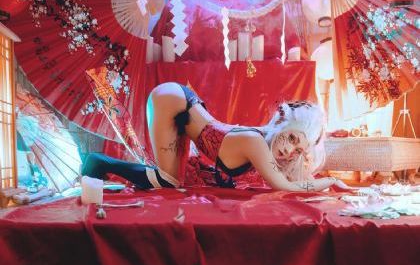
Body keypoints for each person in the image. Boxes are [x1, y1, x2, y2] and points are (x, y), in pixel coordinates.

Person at [82, 82, 346, 192]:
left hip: (186, 107)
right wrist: (332, 181)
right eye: (292, 139)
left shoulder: (263, 140)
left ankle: (101, 167)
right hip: (172, 100)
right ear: (282, 125)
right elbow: (284, 186)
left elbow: (291, 180)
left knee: (173, 182)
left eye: (298, 151)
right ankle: (99, 162)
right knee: (167, 182)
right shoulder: (256, 142)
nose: (289, 151)